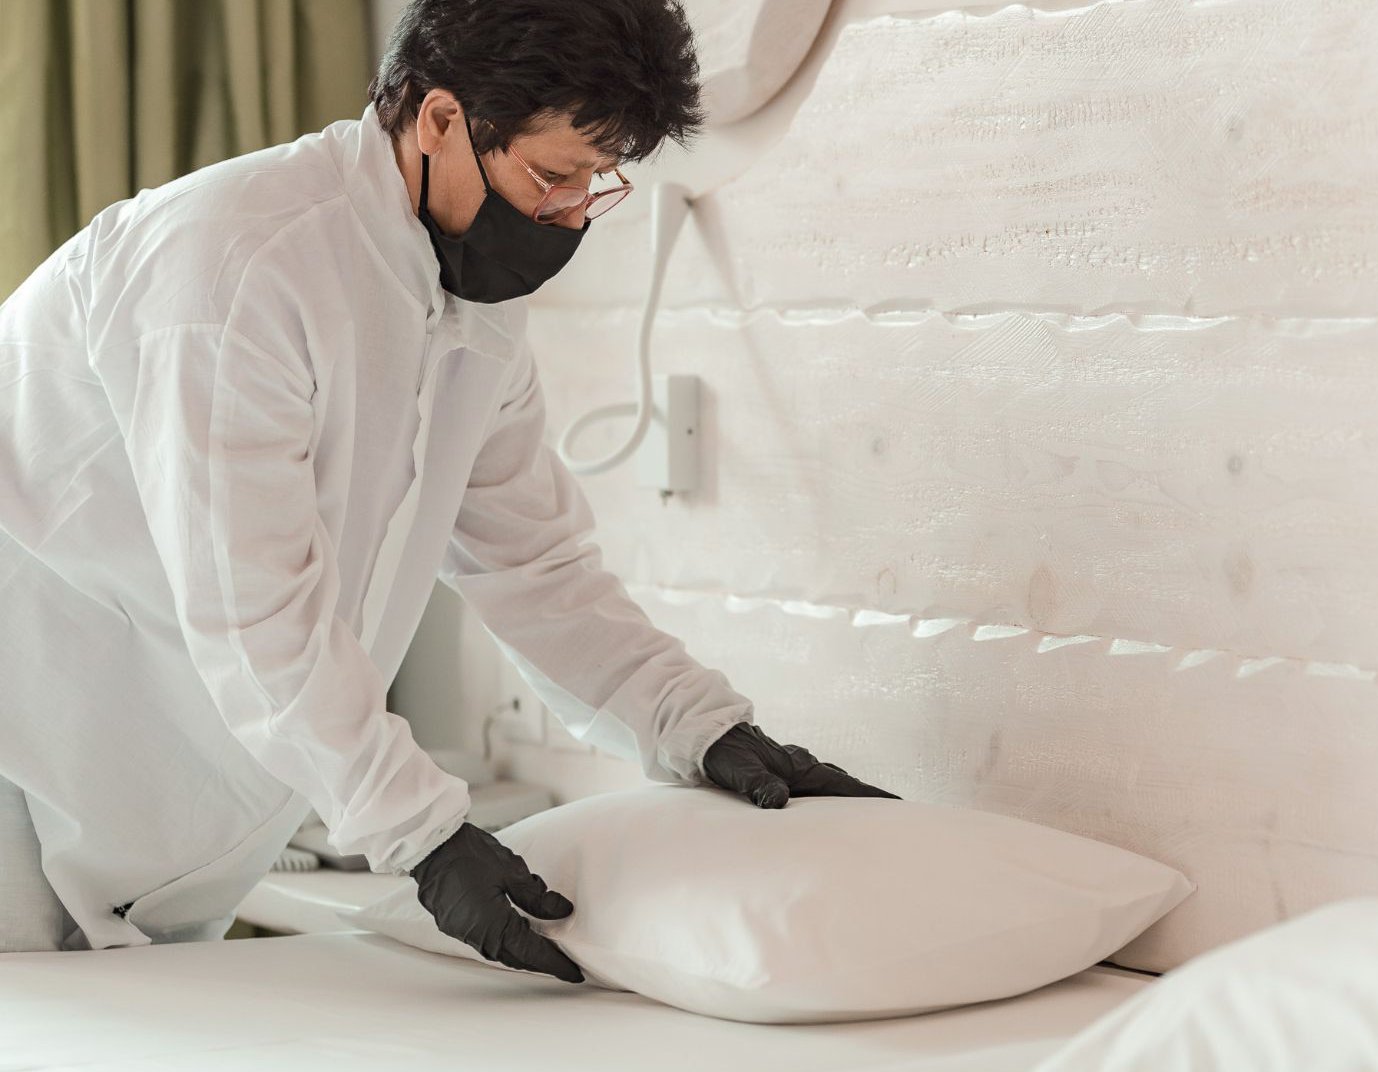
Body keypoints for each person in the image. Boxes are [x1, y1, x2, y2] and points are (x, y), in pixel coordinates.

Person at [0, 0, 895, 981]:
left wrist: (700, 724)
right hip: (24, 798)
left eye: (596, 184)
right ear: (437, 120)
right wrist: (420, 832)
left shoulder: (466, 306)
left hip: (140, 845)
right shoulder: (237, 264)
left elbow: (532, 563)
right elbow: (252, 609)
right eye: (552, 176)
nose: (566, 216)